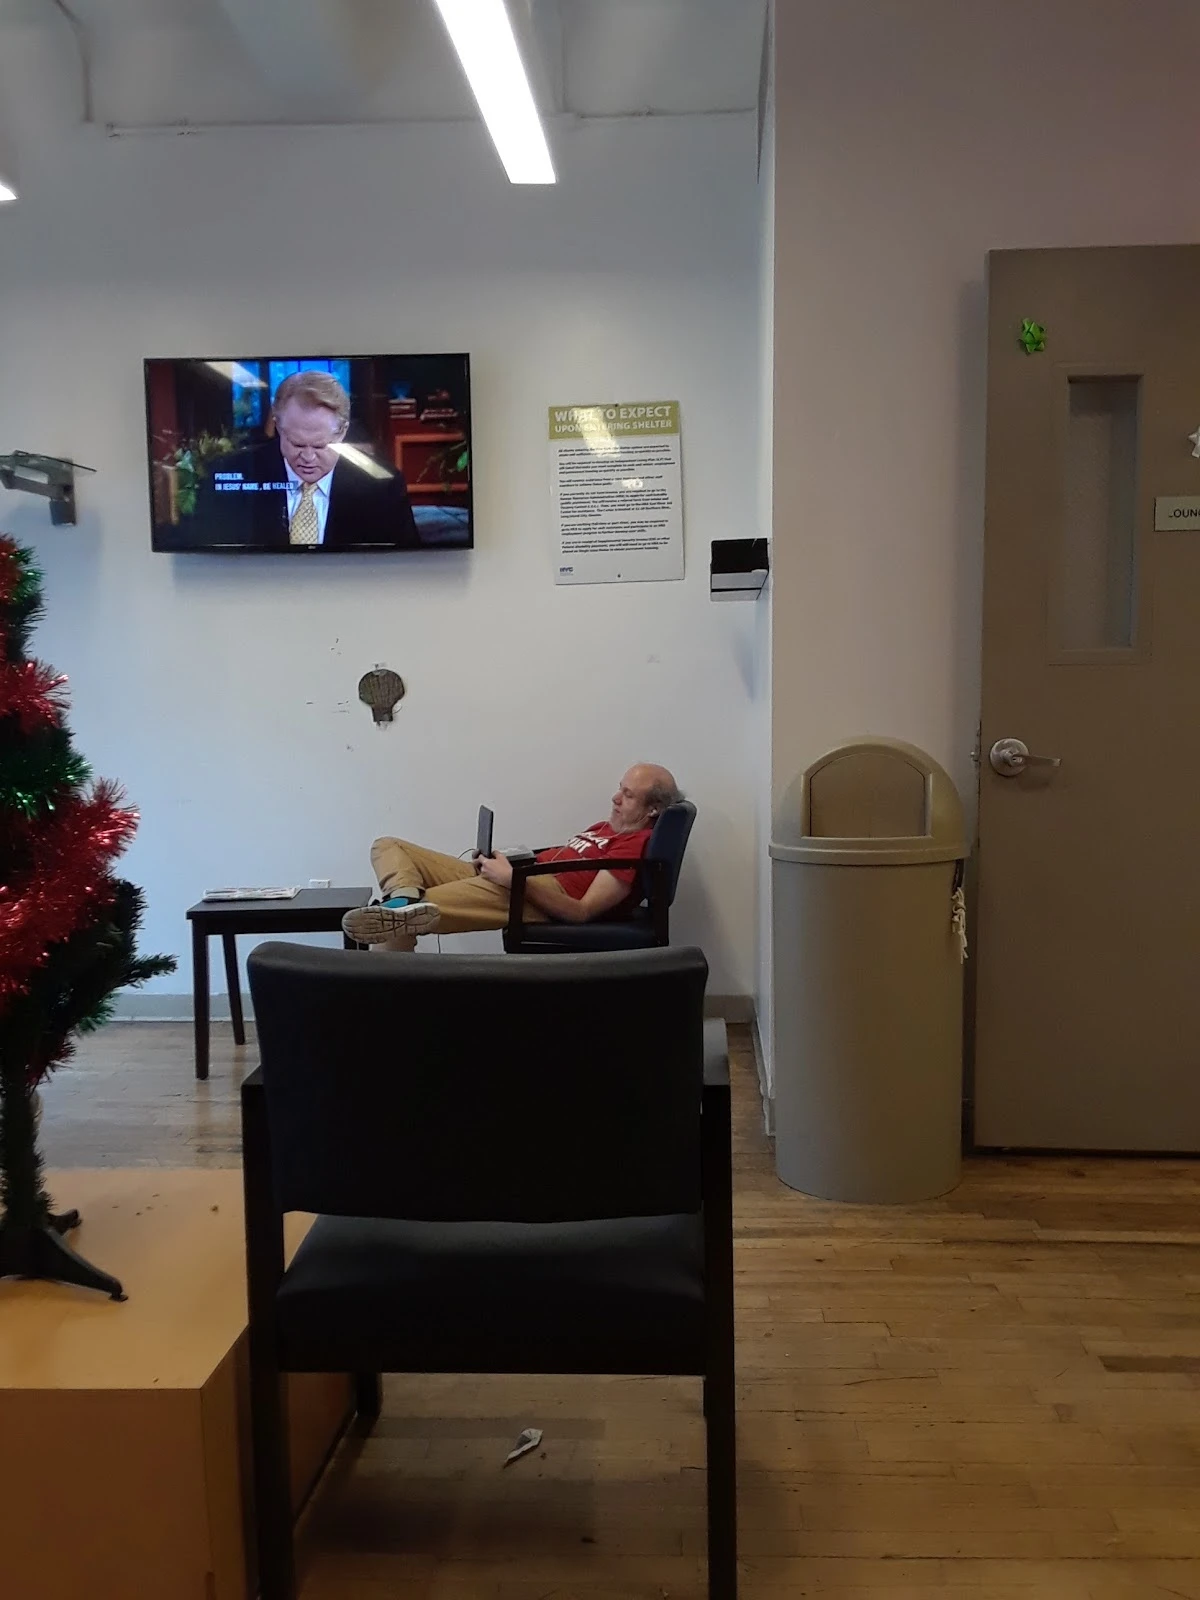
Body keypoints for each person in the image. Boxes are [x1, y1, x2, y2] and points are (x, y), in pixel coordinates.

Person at [342, 764, 682, 949]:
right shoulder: (605, 828)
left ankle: (402, 915)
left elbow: (581, 911)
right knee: (388, 845)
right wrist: (509, 862)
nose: (615, 798)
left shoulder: (635, 844)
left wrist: (511, 879)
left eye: (628, 795)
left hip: (531, 893)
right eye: (619, 788)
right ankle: (403, 897)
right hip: (521, 876)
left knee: (403, 918)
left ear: (653, 809)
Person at [195, 370, 420, 548]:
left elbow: (401, 567)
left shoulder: (382, 485)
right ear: (278, 427)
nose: (308, 457)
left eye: (320, 445)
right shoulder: (230, 473)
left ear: (342, 432)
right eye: (297, 444)